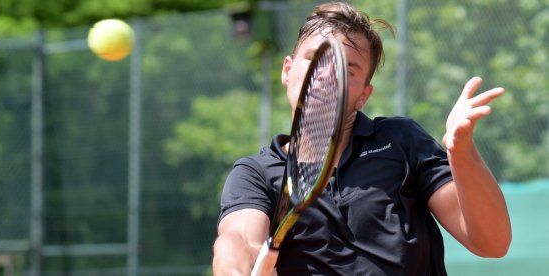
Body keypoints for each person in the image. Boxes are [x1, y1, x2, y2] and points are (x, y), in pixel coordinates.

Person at [213, 1, 512, 275]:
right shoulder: (255, 175)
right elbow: (237, 239)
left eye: (346, 70)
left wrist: (461, 153)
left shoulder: (402, 141)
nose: (327, 74)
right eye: (315, 58)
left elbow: (492, 243)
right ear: (287, 71)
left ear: (362, 97)